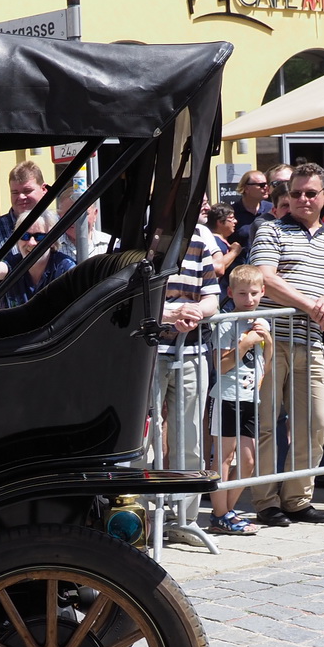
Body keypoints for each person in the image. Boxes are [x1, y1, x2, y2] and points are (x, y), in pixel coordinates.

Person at [248, 163, 324, 526]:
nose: (303, 199)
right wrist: (313, 305)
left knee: (316, 423)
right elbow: (266, 277)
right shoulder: (270, 229)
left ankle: (297, 498)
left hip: (310, 341)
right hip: (268, 338)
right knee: (266, 424)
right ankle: (266, 500)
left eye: (311, 193)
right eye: (296, 193)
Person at [146, 219, 220, 541]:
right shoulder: (145, 235)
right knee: (146, 438)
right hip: (147, 351)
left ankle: (185, 519)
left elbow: (213, 298)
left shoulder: (201, 238)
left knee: (190, 437)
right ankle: (143, 518)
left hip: (192, 351)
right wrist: (169, 313)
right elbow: (131, 296)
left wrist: (196, 312)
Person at [207, 265, 270, 536]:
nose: (249, 299)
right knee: (224, 456)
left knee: (248, 460)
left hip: (249, 397)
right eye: (242, 294)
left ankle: (226, 512)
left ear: (262, 292)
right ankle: (221, 514)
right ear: (231, 293)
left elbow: (266, 363)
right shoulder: (225, 322)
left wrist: (265, 338)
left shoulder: (262, 320)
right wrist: (245, 342)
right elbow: (220, 365)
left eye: (254, 293)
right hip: (227, 396)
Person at [0, 211, 76, 309]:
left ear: (53, 241)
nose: (31, 242)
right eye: (25, 236)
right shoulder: (13, 262)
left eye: (39, 237)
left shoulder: (65, 267)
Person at [0, 161, 50, 269]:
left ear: (43, 189)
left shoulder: (58, 224)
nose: (21, 197)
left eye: (27, 191)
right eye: (15, 192)